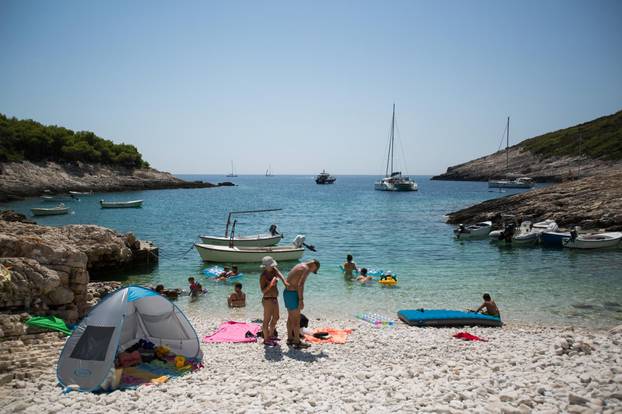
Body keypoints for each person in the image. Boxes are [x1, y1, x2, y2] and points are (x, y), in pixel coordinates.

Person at [284, 259, 320, 348]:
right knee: (296, 320)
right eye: (314, 270)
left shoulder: (299, 265)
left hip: (287, 293)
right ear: (314, 265)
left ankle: (290, 339)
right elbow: (300, 284)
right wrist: (301, 300)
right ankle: (297, 342)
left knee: (290, 318)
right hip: (293, 294)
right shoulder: (306, 268)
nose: (312, 271)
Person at [259, 256, 288, 346]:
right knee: (266, 320)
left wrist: (284, 281)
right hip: (267, 299)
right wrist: (271, 285)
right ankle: (266, 339)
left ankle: (271, 335)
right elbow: (263, 291)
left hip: (274, 299)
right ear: (265, 266)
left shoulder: (274, 270)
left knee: (276, 317)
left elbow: (279, 273)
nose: (272, 266)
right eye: (270, 265)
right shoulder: (263, 276)